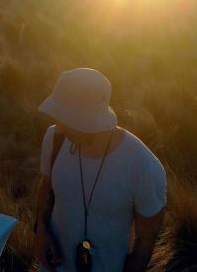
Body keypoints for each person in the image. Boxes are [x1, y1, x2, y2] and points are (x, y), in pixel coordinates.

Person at [34, 68, 167, 272]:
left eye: (66, 119)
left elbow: (146, 241)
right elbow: (47, 187)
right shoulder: (55, 139)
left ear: (89, 120)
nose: (58, 127)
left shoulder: (144, 168)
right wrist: (41, 231)